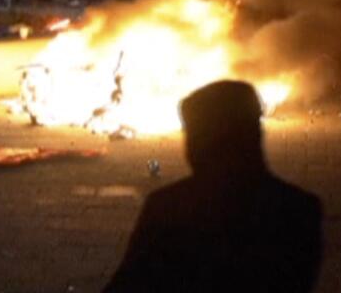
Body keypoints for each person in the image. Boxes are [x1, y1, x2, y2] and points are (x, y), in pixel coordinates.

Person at [104, 80, 323, 292]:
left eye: (192, 134)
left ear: (204, 140)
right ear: (256, 134)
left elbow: (130, 284)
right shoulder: (301, 209)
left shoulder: (169, 208)